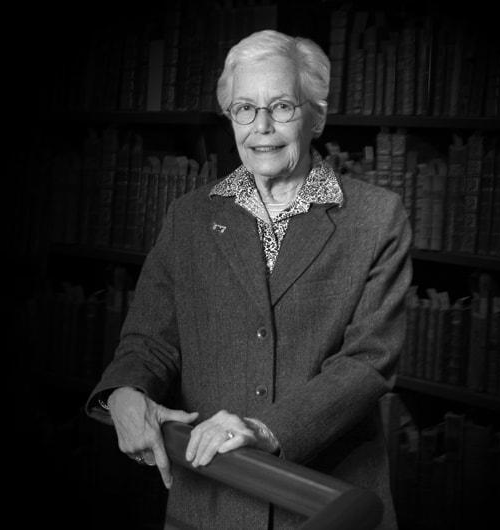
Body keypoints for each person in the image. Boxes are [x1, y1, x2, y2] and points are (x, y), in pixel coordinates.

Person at [85, 29, 411, 530]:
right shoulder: (188, 218)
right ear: (230, 117)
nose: (262, 127)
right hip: (207, 502)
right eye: (244, 108)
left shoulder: (376, 217)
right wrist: (124, 393)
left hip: (327, 503)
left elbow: (369, 363)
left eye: (281, 106)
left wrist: (265, 428)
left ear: (315, 115)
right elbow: (149, 341)